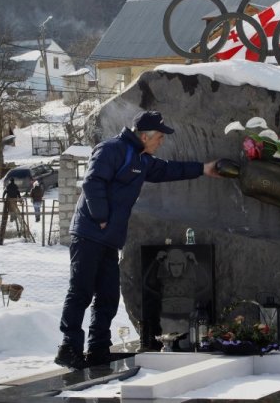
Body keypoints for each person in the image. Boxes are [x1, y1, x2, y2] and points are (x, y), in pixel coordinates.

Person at [55, 110, 220, 370]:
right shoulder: (112, 149)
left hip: (109, 239)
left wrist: (203, 169)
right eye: (159, 138)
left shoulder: (143, 159)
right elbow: (92, 182)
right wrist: (100, 217)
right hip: (89, 233)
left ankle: (98, 349)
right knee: (81, 291)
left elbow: (168, 170)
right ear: (144, 136)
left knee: (108, 295)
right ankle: (69, 347)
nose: (162, 142)